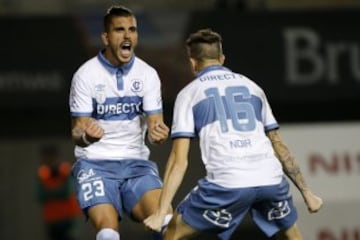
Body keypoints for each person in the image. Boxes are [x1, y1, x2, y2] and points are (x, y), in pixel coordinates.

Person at [144, 28, 324, 240]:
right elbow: (279, 145)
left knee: (171, 231)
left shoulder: (189, 94)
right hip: (270, 179)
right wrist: (307, 193)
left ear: (192, 62)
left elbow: (178, 161)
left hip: (228, 184)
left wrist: (159, 212)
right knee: (292, 235)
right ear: (222, 58)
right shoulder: (253, 87)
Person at [68, 5, 172, 240]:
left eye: (132, 30)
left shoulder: (148, 74)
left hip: (136, 165)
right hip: (95, 165)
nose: (127, 36)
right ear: (105, 37)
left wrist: (158, 134)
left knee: (166, 221)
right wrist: (87, 136)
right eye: (119, 30)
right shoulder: (86, 75)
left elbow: (156, 125)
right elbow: (77, 132)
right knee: (107, 231)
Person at [36, 144, 82, 240]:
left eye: (49, 157)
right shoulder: (43, 172)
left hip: (68, 217)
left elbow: (67, 192)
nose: (46, 160)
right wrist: (55, 192)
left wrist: (50, 193)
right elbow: (40, 195)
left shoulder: (65, 170)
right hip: (52, 218)